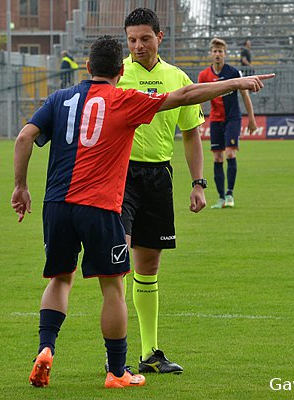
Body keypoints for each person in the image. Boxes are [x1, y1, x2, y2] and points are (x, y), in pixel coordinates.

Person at [11, 35, 272, 389]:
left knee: (60, 279)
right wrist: (237, 83)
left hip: (56, 205)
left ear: (87, 68)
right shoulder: (124, 100)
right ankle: (117, 372)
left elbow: (24, 138)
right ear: (121, 71)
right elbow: (184, 96)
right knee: (113, 287)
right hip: (100, 206)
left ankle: (45, 349)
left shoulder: (59, 98)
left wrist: (21, 186)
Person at [116, 7, 204, 375]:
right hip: (120, 176)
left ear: (160, 37)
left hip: (158, 178)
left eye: (144, 39)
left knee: (148, 266)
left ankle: (150, 352)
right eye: (132, 39)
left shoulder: (176, 77)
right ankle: (114, 356)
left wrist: (198, 183)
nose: (137, 46)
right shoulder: (117, 74)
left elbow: (191, 133)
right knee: (116, 261)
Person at [198, 38, 257, 209]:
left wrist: (251, 119)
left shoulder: (233, 72)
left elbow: (245, 96)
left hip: (232, 118)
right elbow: (199, 98)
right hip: (215, 120)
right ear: (211, 54)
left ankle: (230, 194)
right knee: (217, 157)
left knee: (230, 154)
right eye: (215, 51)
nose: (217, 54)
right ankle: (221, 197)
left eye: (220, 51)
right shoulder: (204, 75)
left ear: (225, 54)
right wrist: (197, 119)